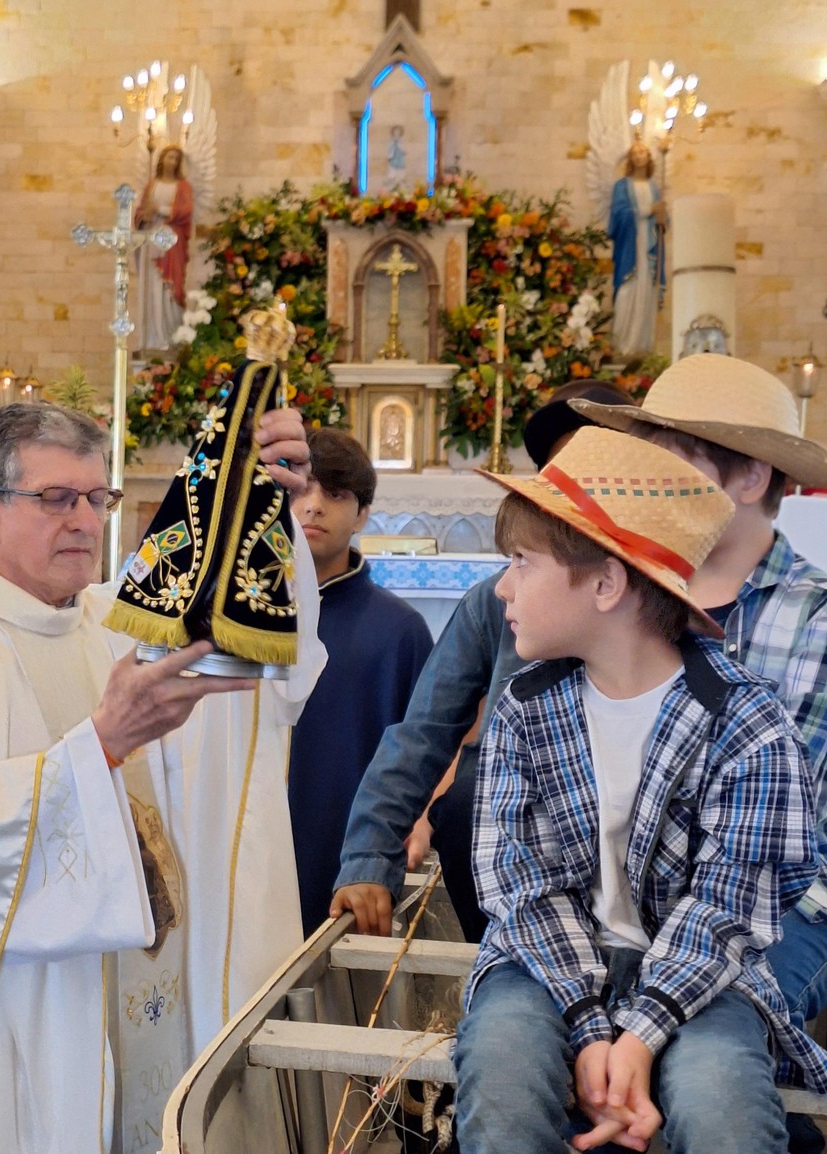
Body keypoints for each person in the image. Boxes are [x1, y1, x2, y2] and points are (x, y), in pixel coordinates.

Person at [0, 401, 324, 1154]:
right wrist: (100, 747)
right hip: (15, 1023)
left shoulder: (106, 621)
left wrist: (258, 501)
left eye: (97, 498)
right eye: (56, 499)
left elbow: (250, 645)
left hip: (134, 1006)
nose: (85, 520)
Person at [452, 424, 827, 1154]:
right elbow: (522, 887)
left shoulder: (746, 721)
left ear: (606, 582)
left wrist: (642, 1033)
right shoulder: (526, 709)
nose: (503, 586)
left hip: (701, 972)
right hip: (549, 960)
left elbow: (729, 904)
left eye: (523, 562)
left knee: (723, 1104)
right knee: (501, 1070)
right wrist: (593, 1029)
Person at [571, 352, 827, 1154]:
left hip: (775, 909)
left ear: (751, 477)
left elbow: (776, 835)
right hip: (621, 893)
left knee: (705, 1059)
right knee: (545, 1047)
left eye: (674, 460)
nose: (647, 481)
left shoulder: (815, 621)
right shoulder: (623, 594)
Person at [332, 380, 637, 943]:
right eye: (562, 471)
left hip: (635, 878)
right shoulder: (493, 602)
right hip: (506, 862)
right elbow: (421, 733)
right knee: (469, 799)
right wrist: (370, 858)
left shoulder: (661, 607)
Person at [288, 428, 433, 936]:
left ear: (364, 513)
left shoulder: (400, 629)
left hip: (346, 843)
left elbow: (430, 744)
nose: (313, 507)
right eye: (300, 490)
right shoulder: (247, 617)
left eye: (336, 494)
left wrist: (415, 816)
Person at [609, 139, 665, 358]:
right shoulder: (621, 186)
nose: (640, 155)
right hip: (629, 248)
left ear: (649, 158)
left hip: (649, 249)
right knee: (626, 292)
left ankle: (642, 346)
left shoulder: (654, 188)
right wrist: (646, 210)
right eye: (636, 152)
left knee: (647, 292)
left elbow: (662, 221)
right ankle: (623, 344)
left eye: (644, 152)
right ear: (630, 159)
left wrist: (662, 217)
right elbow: (618, 215)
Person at [136, 143, 194, 351]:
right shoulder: (152, 185)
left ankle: (169, 335)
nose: (173, 162)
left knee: (170, 286)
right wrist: (144, 215)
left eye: (176, 159)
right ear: (161, 159)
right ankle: (153, 336)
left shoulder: (183, 186)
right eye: (170, 157)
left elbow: (185, 211)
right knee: (153, 285)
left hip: (172, 241)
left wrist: (159, 209)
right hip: (151, 239)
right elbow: (141, 212)